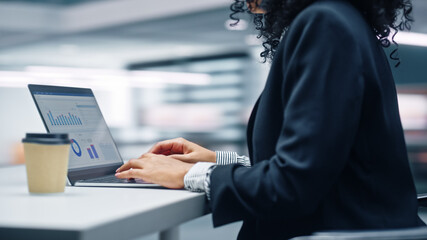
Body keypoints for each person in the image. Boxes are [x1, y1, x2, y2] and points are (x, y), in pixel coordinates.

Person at [116, 0, 426, 238]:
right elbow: (323, 168)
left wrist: (191, 174)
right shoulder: (339, 20)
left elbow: (291, 187)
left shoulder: (325, 24)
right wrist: (218, 160)